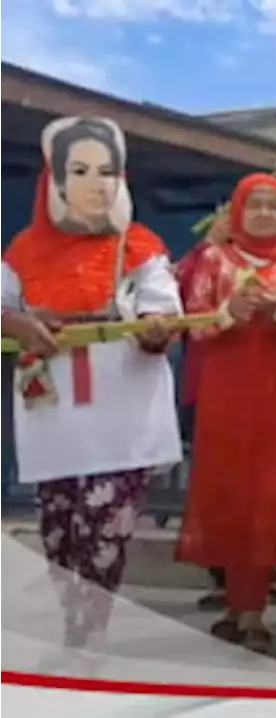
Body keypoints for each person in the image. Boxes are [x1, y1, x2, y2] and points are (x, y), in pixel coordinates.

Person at [1, 116, 183, 653]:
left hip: (120, 423)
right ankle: (74, 630)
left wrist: (155, 331)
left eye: (107, 171)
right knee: (60, 538)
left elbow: (163, 309)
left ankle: (91, 639)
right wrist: (13, 323)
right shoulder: (24, 252)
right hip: (54, 421)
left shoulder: (142, 249)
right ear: (55, 179)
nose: (96, 183)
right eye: (79, 169)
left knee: (104, 535)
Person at [176, 173, 276, 653]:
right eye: (255, 205)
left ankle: (253, 613)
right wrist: (230, 312)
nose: (264, 213)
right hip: (226, 390)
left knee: (273, 494)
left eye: (274, 205)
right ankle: (233, 604)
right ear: (238, 212)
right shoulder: (213, 260)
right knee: (228, 489)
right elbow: (194, 325)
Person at [175, 218, 276, 613]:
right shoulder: (204, 261)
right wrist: (206, 251)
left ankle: (271, 570)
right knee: (220, 481)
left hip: (270, 389)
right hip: (209, 383)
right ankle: (221, 577)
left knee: (271, 481)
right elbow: (181, 306)